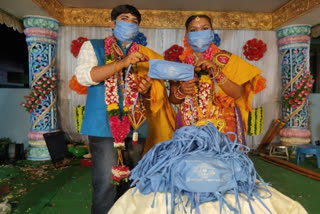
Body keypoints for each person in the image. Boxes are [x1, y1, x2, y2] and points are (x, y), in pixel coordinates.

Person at [74, 4, 175, 214]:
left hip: (137, 126)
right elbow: (86, 76)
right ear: (112, 23)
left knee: (134, 181)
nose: (129, 23)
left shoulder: (146, 55)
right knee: (105, 183)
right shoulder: (93, 46)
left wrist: (146, 89)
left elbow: (155, 92)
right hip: (103, 126)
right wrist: (122, 63)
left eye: (134, 21)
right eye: (124, 18)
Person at [169, 14, 266, 144]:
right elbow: (173, 99)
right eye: (193, 30)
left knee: (222, 162)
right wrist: (182, 90)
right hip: (189, 124)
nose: (199, 33)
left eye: (204, 28)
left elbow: (238, 93)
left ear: (212, 32)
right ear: (186, 34)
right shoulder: (179, 63)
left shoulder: (227, 59)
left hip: (222, 125)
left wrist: (217, 73)